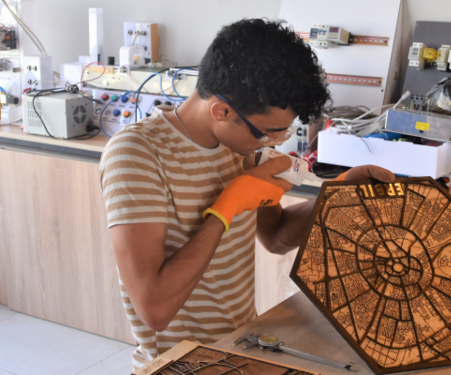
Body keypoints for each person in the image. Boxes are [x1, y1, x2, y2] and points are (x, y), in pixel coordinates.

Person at [99, 18, 394, 368]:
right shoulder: (135, 154)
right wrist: (225, 209)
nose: (273, 142)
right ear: (221, 111)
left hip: (241, 350)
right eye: (268, 132)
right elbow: (154, 309)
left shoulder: (240, 145)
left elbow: (276, 236)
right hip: (180, 364)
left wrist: (336, 198)